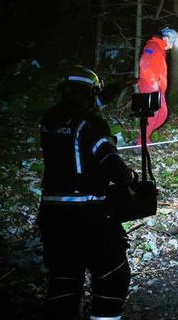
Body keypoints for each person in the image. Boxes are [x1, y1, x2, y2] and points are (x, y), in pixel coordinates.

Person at [37, 66, 139, 319]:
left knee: (64, 281)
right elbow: (112, 165)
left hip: (52, 215)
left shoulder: (50, 119)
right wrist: (132, 178)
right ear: (89, 92)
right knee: (112, 277)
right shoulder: (90, 124)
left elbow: (86, 105)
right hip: (88, 214)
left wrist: (117, 87)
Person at [136, 27, 178, 145]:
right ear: (166, 38)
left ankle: (144, 137)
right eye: (172, 43)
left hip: (156, 88)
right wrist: (153, 84)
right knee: (153, 114)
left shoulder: (160, 50)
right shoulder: (153, 46)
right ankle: (141, 144)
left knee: (162, 114)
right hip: (149, 85)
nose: (171, 47)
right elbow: (144, 63)